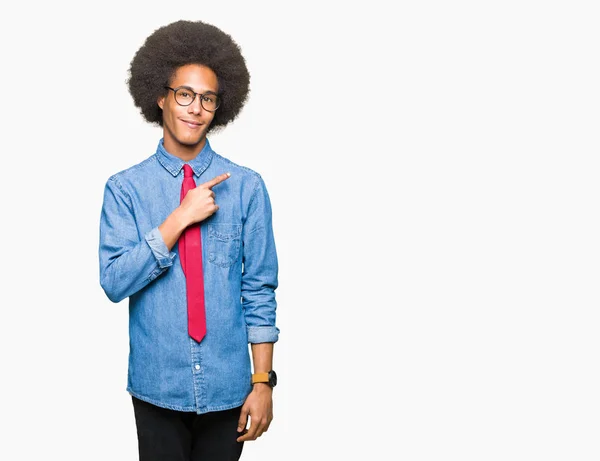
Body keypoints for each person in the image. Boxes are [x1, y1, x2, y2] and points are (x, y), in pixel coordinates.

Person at [98, 19, 279, 461]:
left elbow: (259, 289)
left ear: (220, 107)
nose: (195, 108)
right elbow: (114, 281)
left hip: (228, 388)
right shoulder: (125, 190)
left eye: (208, 98)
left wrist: (263, 383)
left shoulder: (247, 187)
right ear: (160, 96)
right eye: (184, 94)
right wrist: (178, 219)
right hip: (157, 387)